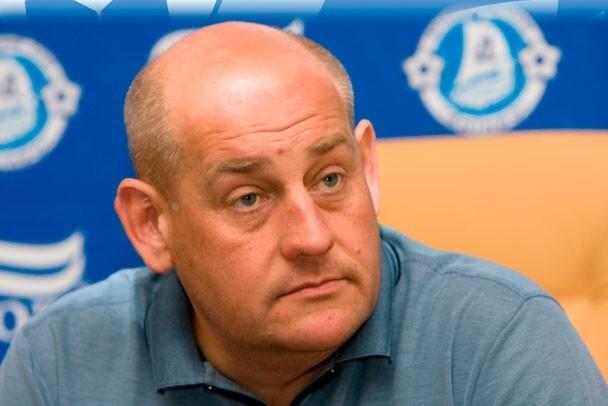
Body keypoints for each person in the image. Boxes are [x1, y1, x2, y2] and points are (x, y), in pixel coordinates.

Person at [0, 21, 606, 405]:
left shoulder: (499, 340)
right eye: (248, 198)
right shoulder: (60, 363)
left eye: (330, 180)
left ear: (368, 171)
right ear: (151, 225)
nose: (312, 237)